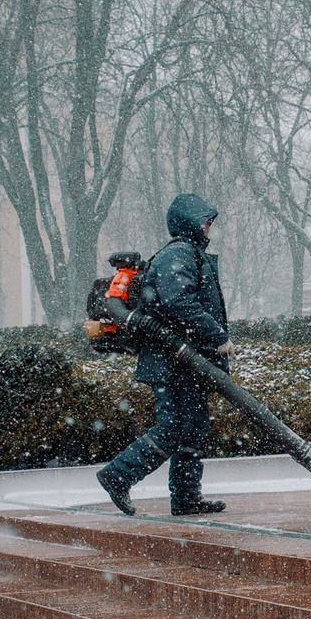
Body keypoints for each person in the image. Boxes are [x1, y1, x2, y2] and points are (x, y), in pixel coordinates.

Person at [97, 193, 232, 518]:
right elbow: (177, 303)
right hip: (173, 362)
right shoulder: (180, 254)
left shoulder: (189, 255)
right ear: (191, 223)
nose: (209, 227)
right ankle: (118, 475)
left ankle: (186, 497)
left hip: (186, 364)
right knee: (173, 427)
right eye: (205, 221)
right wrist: (217, 335)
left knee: (194, 428)